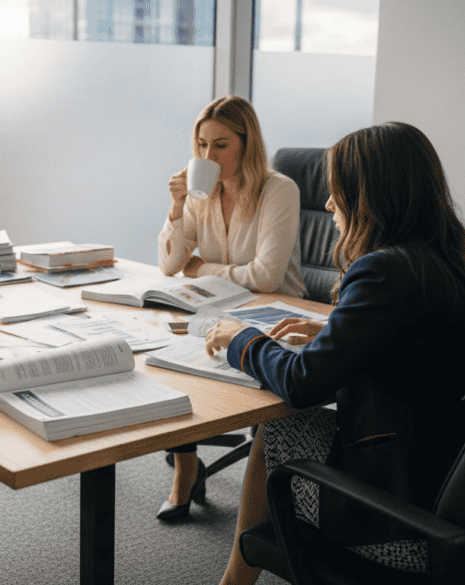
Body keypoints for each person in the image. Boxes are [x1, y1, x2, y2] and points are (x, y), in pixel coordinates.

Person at [204, 122, 465, 584]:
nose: (327, 205)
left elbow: (304, 384)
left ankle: (235, 580)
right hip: (461, 495)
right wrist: (330, 327)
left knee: (281, 421)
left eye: (336, 192)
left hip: (400, 516)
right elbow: (427, 343)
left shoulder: (383, 270)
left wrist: (240, 339)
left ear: (368, 196)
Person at [156, 95, 306, 520]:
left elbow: (266, 277)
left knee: (193, 355)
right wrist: (177, 206)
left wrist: (204, 268)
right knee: (164, 359)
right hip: (219, 311)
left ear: (246, 142)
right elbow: (170, 265)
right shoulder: (201, 193)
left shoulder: (279, 190)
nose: (208, 155)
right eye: (201, 145)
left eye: (220, 145)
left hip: (275, 315)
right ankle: (186, 466)